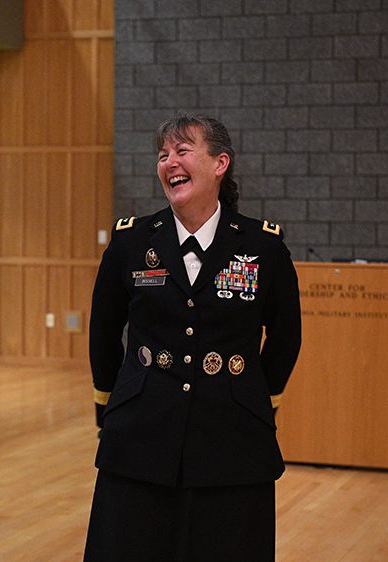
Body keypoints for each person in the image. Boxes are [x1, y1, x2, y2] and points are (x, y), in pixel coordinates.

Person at [85, 114, 302, 561]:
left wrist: (259, 396)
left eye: (182, 151)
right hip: (140, 434)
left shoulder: (263, 247)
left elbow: (287, 334)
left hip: (232, 440)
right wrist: (108, 402)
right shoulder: (131, 242)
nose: (169, 162)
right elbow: (104, 328)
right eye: (163, 155)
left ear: (220, 163)